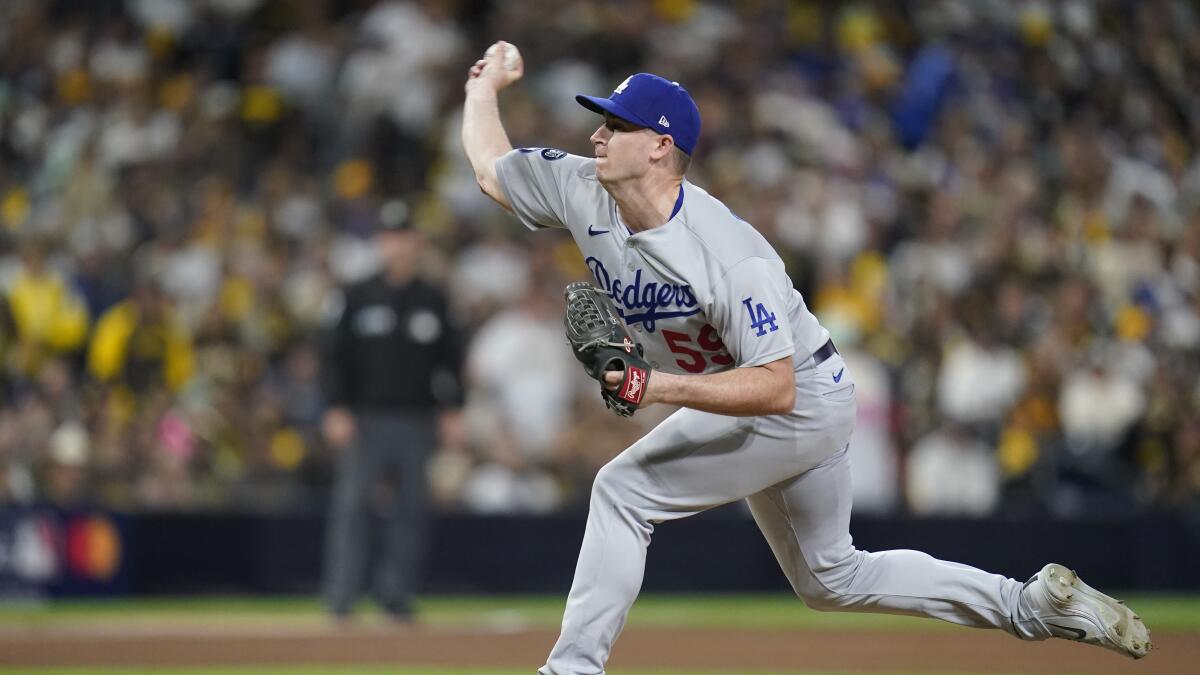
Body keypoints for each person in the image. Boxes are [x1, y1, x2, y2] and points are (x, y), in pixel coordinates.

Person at [460, 42, 1150, 673]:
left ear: (660, 147)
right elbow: (492, 169)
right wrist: (484, 86)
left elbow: (776, 387)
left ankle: (570, 668)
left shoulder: (727, 252)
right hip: (765, 394)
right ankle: (1031, 605)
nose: (596, 134)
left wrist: (654, 384)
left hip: (797, 399)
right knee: (832, 578)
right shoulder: (582, 187)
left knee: (623, 489)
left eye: (616, 125)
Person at [318, 206, 463, 622]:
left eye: (404, 236)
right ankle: (341, 599)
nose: (397, 244)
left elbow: (452, 360)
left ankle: (395, 597)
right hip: (365, 416)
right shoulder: (355, 295)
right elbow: (333, 356)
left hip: (417, 417)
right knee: (353, 508)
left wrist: (455, 409)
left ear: (415, 242)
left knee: (411, 510)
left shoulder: (432, 298)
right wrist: (335, 407)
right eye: (390, 236)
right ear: (380, 242)